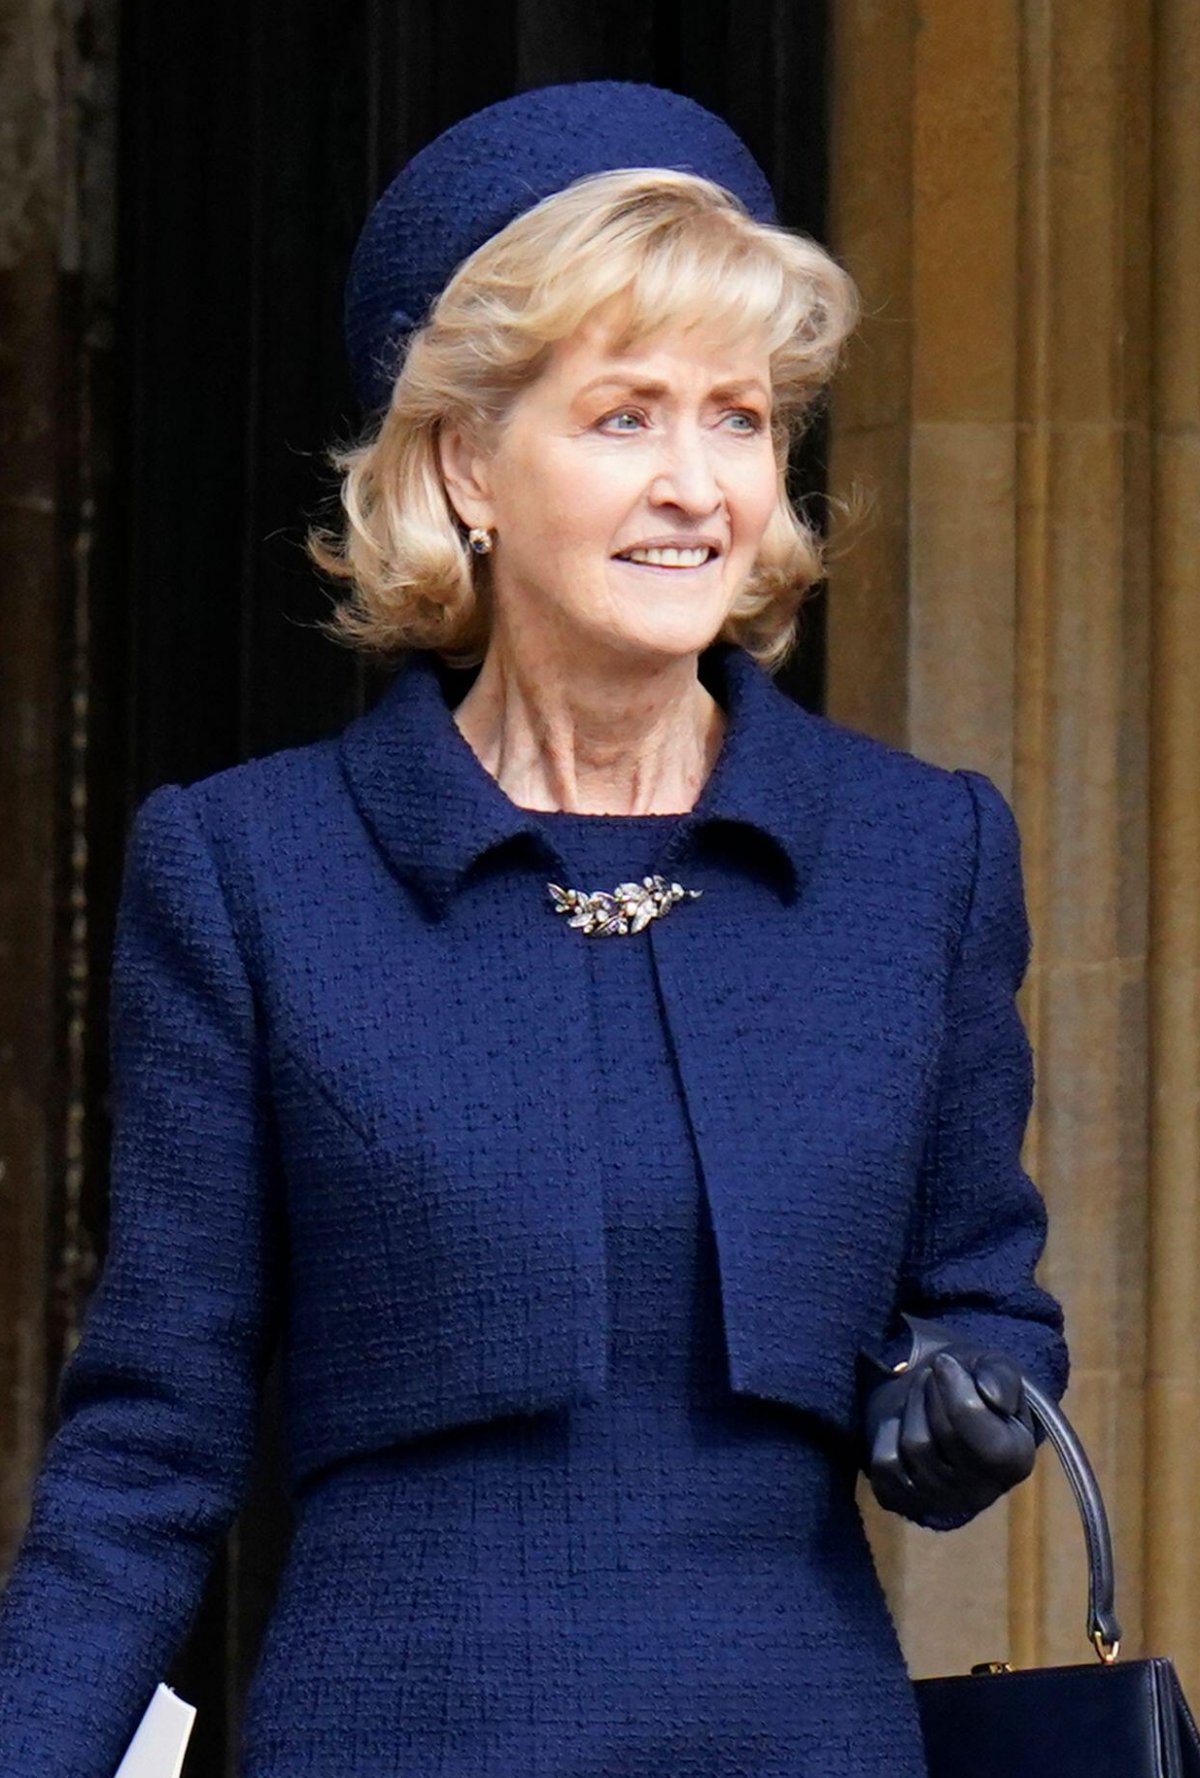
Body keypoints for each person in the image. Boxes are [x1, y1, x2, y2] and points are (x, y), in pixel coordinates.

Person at [0, 80, 1069, 1778]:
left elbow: (981, 1297)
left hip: (796, 1738)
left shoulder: (915, 855)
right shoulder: (250, 869)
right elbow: (149, 1443)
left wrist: (964, 1409)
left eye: (740, 417)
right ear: (461, 463)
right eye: (627, 416)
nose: (700, 485)